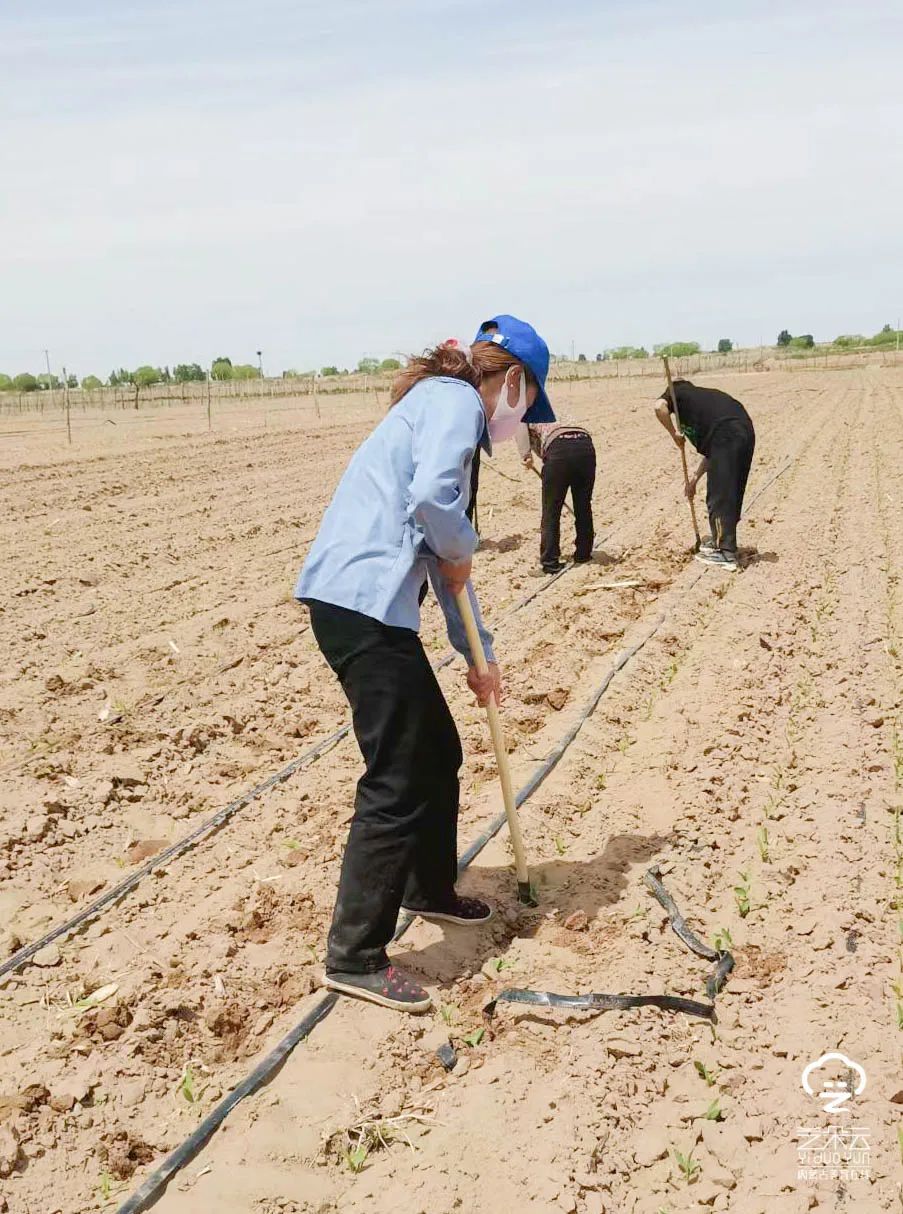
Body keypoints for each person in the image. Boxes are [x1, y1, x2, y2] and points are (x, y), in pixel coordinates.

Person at [295, 315, 555, 1013]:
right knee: (399, 773)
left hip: (372, 607)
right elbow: (435, 508)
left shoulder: (451, 413)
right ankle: (353, 954)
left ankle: (427, 886)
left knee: (436, 750)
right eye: (528, 402)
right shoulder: (450, 402)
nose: (522, 418)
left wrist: (479, 659)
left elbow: (451, 573)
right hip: (359, 604)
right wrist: (461, 541)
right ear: (514, 382)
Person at [654, 379, 755, 571]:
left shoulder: (677, 393)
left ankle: (726, 553)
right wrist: (694, 479)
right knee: (730, 488)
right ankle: (721, 541)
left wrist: (673, 433)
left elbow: (659, 407)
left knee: (719, 493)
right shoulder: (702, 403)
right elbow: (712, 455)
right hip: (744, 431)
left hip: (727, 434)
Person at [516, 417, 596, 573]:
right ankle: (584, 553)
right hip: (585, 446)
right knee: (583, 504)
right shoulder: (549, 409)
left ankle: (550, 562)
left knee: (551, 510)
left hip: (559, 450)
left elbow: (520, 429)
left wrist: (526, 455)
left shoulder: (524, 412)